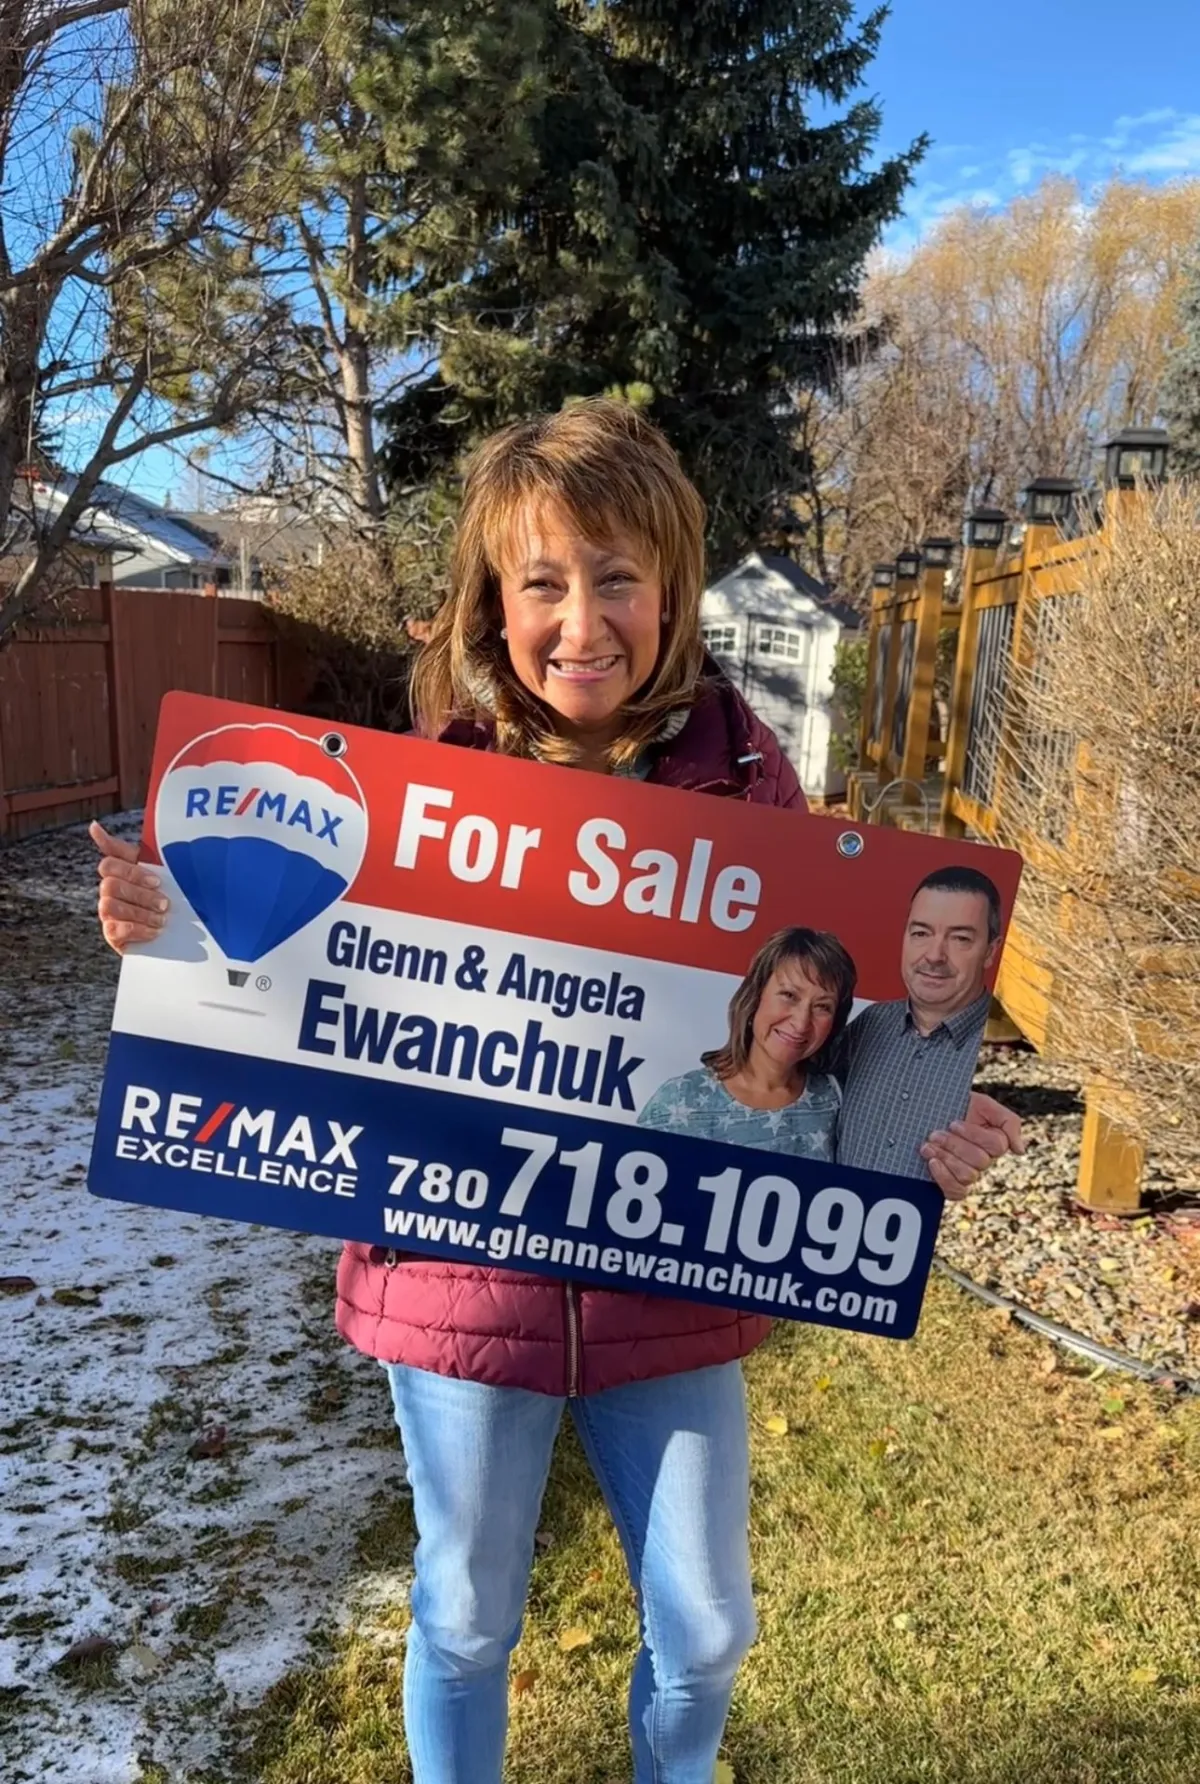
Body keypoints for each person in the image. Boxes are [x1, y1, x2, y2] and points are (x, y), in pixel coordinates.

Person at [89, 400, 1022, 1784]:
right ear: (495, 599)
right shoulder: (423, 785)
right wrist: (168, 926)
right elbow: (291, 967)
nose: (580, 620)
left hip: (675, 1286)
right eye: (543, 582)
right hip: (460, 1278)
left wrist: (924, 1131)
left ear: (674, 591)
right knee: (466, 1616)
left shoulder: (753, 790)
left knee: (706, 1630)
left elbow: (833, 1045)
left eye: (617, 578)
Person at [835, 865, 1009, 1181]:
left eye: (960, 938)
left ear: (991, 951)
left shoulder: (998, 1050)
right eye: (921, 933)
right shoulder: (870, 1024)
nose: (934, 955)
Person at [637, 927, 853, 1159]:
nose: (801, 1023)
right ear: (756, 995)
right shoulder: (679, 1099)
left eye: (822, 1007)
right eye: (789, 995)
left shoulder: (837, 1101)